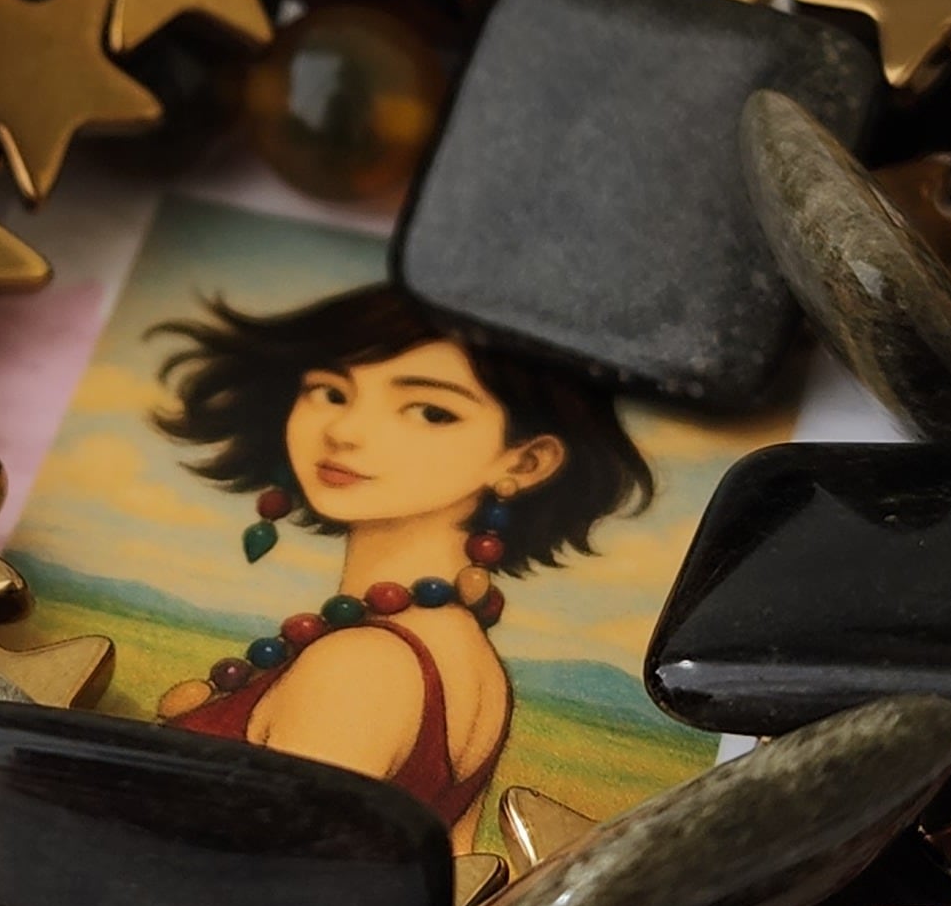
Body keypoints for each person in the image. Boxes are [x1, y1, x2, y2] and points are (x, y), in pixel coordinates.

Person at [151, 281, 646, 835]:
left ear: (525, 462)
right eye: (330, 392)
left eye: (430, 412)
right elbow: (455, 865)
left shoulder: (361, 666)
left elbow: (268, 873)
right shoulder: (469, 659)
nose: (344, 431)